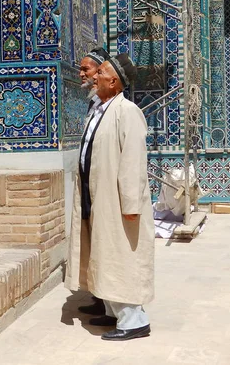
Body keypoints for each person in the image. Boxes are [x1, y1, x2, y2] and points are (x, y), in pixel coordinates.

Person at [65, 53, 155, 341]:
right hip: (97, 195)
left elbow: (132, 160)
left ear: (114, 81)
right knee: (103, 253)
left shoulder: (127, 111)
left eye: (100, 72)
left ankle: (134, 320)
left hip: (117, 202)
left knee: (120, 256)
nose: (94, 76)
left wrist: (130, 203)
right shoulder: (102, 108)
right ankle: (113, 310)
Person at [75, 46, 111, 319]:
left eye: (85, 69)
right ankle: (99, 298)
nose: (81, 74)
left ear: (101, 71)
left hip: (104, 189)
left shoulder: (118, 108)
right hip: (89, 187)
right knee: (93, 242)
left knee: (105, 243)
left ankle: (113, 304)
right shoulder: (94, 104)